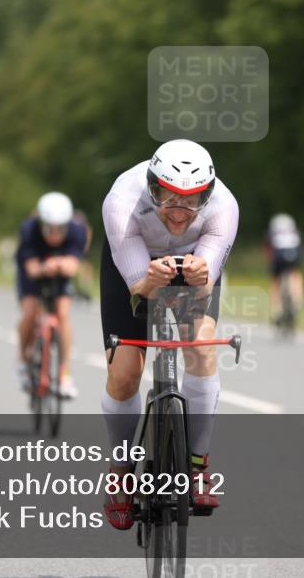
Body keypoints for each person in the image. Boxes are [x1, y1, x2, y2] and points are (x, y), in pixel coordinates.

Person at [99, 139, 238, 530]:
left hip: (194, 263)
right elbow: (137, 286)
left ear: (207, 196)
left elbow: (207, 281)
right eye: (167, 197)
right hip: (135, 268)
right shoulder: (122, 202)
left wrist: (200, 277)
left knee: (201, 350)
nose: (179, 211)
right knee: (124, 372)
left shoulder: (224, 206)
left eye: (191, 201)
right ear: (150, 186)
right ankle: (122, 469)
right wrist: (147, 281)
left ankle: (196, 466)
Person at [15, 192, 86, 399]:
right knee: (30, 312)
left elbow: (73, 267)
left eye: (60, 229)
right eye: (49, 229)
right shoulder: (29, 229)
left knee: (63, 314)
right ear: (41, 223)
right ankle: (22, 358)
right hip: (34, 271)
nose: (54, 235)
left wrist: (63, 265)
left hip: (59, 273)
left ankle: (64, 372)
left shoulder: (77, 231)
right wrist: (46, 267)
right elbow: (31, 270)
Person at [265, 213, 304, 325]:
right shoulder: (295, 232)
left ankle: (276, 310)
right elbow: (301, 249)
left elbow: (268, 250)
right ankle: (297, 302)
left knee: (275, 280)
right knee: (296, 274)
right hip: (295, 255)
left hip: (278, 257)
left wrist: (269, 263)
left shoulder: (272, 233)